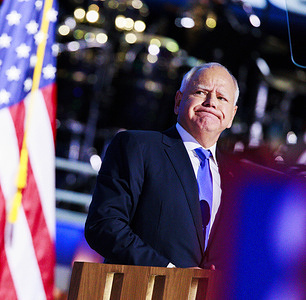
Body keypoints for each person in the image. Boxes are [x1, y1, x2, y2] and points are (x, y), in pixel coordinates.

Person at [84, 62, 239, 269]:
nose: (211, 102)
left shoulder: (239, 177)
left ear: (231, 115)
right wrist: (168, 272)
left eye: (222, 98)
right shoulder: (137, 147)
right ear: (178, 101)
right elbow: (104, 225)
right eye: (201, 92)